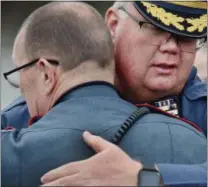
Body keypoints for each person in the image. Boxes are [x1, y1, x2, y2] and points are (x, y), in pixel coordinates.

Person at [1, 0, 207, 186]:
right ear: (114, 25)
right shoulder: (27, 111)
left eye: (187, 35)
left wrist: (147, 177)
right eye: (154, 28)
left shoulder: (201, 110)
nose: (171, 47)